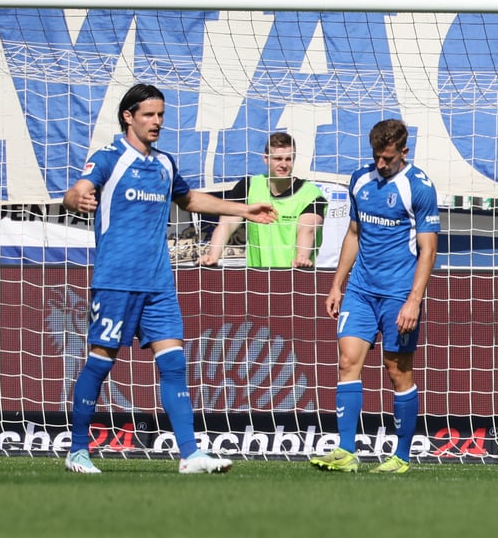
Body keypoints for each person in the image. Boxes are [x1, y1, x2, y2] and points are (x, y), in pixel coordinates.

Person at [62, 83, 278, 474]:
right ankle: (78, 450)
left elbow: (190, 199)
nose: (157, 122)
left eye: (161, 115)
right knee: (101, 361)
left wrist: (244, 210)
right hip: (116, 280)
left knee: (174, 362)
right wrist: (77, 197)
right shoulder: (110, 157)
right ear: (128, 116)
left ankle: (191, 455)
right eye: (149, 114)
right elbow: (79, 189)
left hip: (159, 281)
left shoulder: (164, 163)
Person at [309, 119, 440, 474]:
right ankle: (346, 451)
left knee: (397, 370)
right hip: (361, 291)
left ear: (403, 152)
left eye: (388, 158)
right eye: (376, 157)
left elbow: (428, 250)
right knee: (347, 361)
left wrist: (414, 300)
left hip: (399, 293)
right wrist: (338, 284)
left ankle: (400, 456)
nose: (380, 164)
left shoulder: (419, 188)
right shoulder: (360, 181)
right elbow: (353, 233)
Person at [199, 132, 328, 268]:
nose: (283, 164)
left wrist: (302, 257)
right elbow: (226, 224)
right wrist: (213, 256)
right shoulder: (249, 186)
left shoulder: (311, 194)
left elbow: (307, 230)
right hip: (257, 278)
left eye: (288, 159)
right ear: (266, 159)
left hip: (296, 276)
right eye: (278, 159)